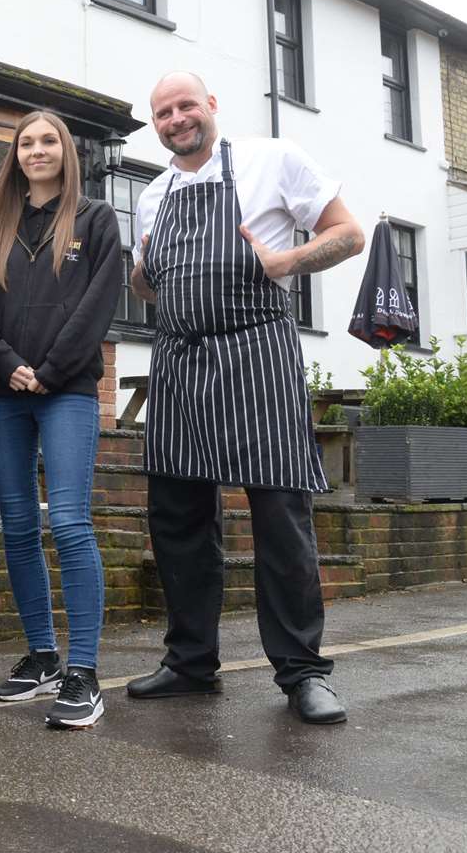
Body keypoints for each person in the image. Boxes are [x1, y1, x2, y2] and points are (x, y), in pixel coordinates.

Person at [127, 71, 364, 725]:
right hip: (177, 358)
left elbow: (350, 235)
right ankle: (190, 662)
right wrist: (143, 276)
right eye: (163, 112)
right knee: (176, 518)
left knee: (279, 515)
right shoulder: (153, 194)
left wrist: (285, 263)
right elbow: (147, 287)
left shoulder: (272, 160)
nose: (176, 119)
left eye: (185, 105)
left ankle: (303, 672)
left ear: (211, 107)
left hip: (256, 350)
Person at [0, 109, 121, 729]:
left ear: (66, 150)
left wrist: (51, 371)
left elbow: (98, 305)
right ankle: (41, 656)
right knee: (14, 525)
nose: (37, 150)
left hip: (66, 391)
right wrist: (6, 362)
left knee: (67, 521)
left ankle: (83, 671)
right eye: (26, 142)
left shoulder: (96, 219)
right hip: (3, 390)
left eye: (48, 141)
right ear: (16, 155)